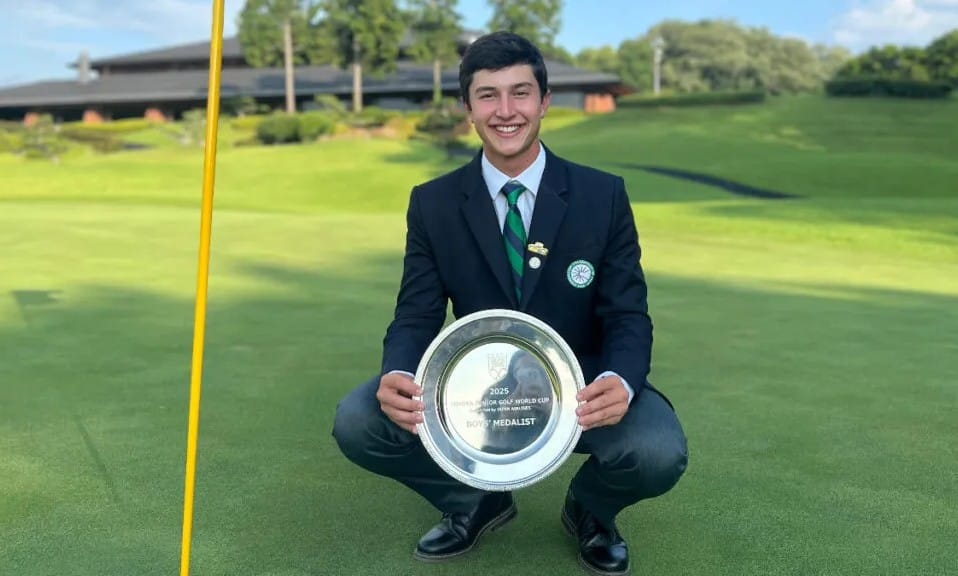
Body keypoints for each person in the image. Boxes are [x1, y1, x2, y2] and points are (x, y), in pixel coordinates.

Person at [332, 31, 688, 576]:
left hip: (581, 388)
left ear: (545, 102)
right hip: (478, 389)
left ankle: (590, 511)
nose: (506, 111)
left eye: (520, 93)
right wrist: (398, 370)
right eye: (488, 95)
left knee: (657, 451)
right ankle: (474, 501)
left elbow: (626, 314)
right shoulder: (433, 203)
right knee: (360, 419)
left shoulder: (603, 194)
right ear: (468, 108)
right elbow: (417, 311)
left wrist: (619, 379)